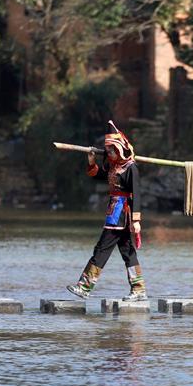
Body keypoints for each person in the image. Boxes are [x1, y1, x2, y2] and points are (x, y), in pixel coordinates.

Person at [67, 121, 147, 301]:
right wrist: (91, 161)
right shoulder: (113, 167)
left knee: (102, 249)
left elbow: (137, 194)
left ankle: (85, 286)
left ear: (120, 149)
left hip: (122, 214)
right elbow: (97, 175)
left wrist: (136, 220)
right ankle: (139, 288)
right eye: (108, 150)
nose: (109, 153)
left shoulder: (131, 168)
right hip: (114, 212)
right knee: (128, 252)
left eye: (112, 150)